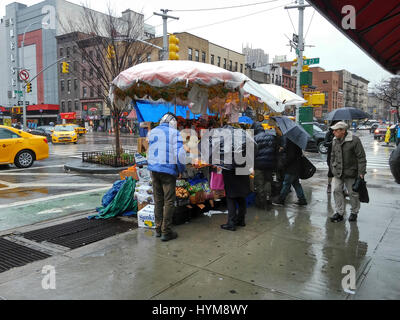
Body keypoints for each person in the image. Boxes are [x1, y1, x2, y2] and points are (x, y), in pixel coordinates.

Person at [148, 112, 186, 241]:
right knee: (169, 200)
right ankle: (166, 231)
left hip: (154, 170)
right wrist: (181, 170)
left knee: (158, 200)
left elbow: (150, 151)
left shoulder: (153, 131)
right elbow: (180, 155)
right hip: (168, 171)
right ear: (173, 123)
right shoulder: (175, 133)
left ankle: (157, 230)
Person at [329, 121, 367, 223]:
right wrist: (333, 167)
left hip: (351, 172)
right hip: (337, 172)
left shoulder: (354, 140)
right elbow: (332, 155)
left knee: (352, 193)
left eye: (336, 130)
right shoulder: (334, 140)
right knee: (336, 190)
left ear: (343, 131)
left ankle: (354, 212)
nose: (334, 132)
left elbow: (361, 158)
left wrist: (361, 172)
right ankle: (339, 212)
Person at [219, 126, 254, 231]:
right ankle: (241, 220)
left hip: (231, 174)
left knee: (231, 198)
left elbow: (224, 161)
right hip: (243, 173)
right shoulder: (246, 143)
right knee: (241, 197)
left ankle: (231, 223)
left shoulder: (226, 144)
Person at [272, 137, 307, 206]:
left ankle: (281, 200)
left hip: (291, 167)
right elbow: (295, 152)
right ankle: (302, 200)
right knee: (296, 184)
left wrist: (284, 163)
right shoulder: (297, 140)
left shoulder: (290, 140)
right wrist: (284, 149)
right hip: (296, 166)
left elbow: (291, 155)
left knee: (286, 184)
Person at [252, 122, 279, 208]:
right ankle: (268, 198)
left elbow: (252, 153)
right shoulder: (272, 137)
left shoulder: (254, 138)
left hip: (259, 165)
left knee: (259, 183)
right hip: (270, 165)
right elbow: (276, 150)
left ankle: (262, 202)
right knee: (268, 181)